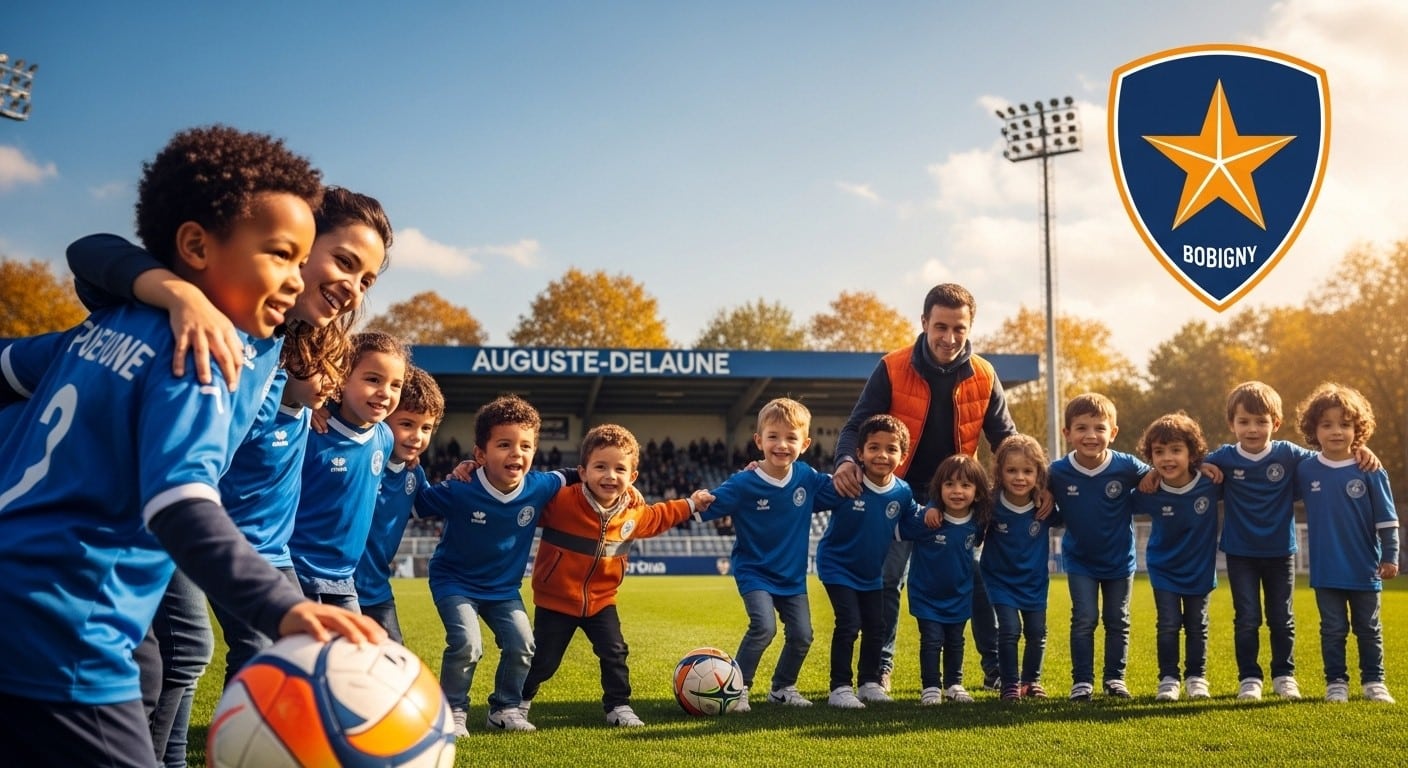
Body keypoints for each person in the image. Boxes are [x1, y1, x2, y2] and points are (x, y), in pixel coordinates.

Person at [0, 124, 383, 767]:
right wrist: (284, 608)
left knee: (160, 662)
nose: (300, 279)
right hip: (70, 625)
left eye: (367, 278)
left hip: (29, 597)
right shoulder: (206, 352)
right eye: (288, 255)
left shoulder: (113, 323)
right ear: (200, 245)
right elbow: (179, 501)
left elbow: (16, 365)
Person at [833, 283, 1017, 693]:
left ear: (970, 328)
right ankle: (879, 669)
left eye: (959, 328)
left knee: (976, 577)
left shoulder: (985, 374)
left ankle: (995, 669)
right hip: (897, 494)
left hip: (957, 494)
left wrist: (1031, 479)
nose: (949, 338)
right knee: (888, 578)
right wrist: (846, 460)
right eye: (941, 327)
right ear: (924, 323)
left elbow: (1006, 439)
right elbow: (855, 426)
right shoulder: (892, 367)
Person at [520, 424, 714, 728]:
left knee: (615, 653)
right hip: (555, 601)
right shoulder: (560, 501)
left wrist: (691, 504)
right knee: (544, 660)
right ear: (582, 472)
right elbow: (521, 496)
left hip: (601, 601)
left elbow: (661, 516)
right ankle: (518, 702)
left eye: (620, 469)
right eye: (600, 467)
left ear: (632, 476)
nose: (610, 475)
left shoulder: (633, 512)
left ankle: (618, 706)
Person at [1200, 381, 1378, 702]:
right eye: (1244, 421)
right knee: (1247, 618)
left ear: (1276, 423)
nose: (1252, 429)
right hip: (1240, 553)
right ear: (1231, 424)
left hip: (1281, 552)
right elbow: (1188, 464)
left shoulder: (1291, 455)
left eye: (1261, 421)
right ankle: (1249, 679)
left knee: (1282, 618)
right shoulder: (1224, 457)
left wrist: (1360, 449)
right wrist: (1202, 465)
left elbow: (1330, 455)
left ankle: (1284, 675)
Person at [417, 395, 575, 735]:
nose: (516, 453)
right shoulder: (460, 489)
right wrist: (418, 465)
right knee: (467, 644)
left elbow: (577, 474)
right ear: (480, 454)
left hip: (503, 589)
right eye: (504, 445)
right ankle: (452, 711)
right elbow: (418, 503)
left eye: (525, 446)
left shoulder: (540, 485)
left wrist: (626, 489)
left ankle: (504, 709)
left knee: (523, 645)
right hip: (454, 582)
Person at [695, 398, 841, 710]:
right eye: (773, 436)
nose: (782, 445)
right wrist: (695, 500)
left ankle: (782, 688)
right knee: (764, 627)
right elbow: (705, 507)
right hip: (755, 571)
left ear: (805, 444)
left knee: (802, 635)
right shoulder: (743, 482)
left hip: (792, 577)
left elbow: (842, 487)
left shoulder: (807, 477)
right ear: (759, 440)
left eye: (791, 438)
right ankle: (738, 688)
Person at [1293, 382, 1399, 703]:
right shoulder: (1305, 469)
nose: (1336, 431)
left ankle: (1374, 682)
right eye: (1327, 425)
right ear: (1314, 430)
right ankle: (1336, 682)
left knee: (1368, 629)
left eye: (1345, 424)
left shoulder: (1370, 469)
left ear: (1358, 429)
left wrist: (1391, 555)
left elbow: (1387, 519)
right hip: (1325, 570)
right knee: (1333, 629)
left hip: (1364, 568)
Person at [288, 331, 406, 607]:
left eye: (396, 385)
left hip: (344, 578)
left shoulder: (385, 438)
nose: (385, 392)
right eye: (373, 379)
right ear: (342, 377)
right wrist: (311, 409)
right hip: (297, 571)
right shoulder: (312, 428)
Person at [1049, 392, 1150, 702]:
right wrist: (1044, 495)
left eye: (1099, 428)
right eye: (1081, 428)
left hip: (1119, 560)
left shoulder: (1127, 466)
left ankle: (1115, 679)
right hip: (1080, 560)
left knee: (1118, 620)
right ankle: (1082, 681)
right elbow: (1037, 492)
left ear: (1113, 432)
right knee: (1085, 618)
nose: (1091, 435)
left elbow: (1159, 475)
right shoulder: (1057, 472)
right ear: (1067, 433)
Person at [815, 414, 919, 709]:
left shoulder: (902, 491)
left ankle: (869, 683)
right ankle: (840, 688)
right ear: (859, 453)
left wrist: (939, 514)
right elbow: (806, 492)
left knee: (876, 625)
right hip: (837, 567)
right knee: (849, 623)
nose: (882, 455)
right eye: (874, 447)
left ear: (903, 456)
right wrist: (762, 470)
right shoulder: (848, 483)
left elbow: (914, 519)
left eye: (891, 449)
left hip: (871, 573)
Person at [1130, 413, 1219, 702]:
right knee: (1168, 624)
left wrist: (1205, 466)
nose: (1167, 458)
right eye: (1159, 452)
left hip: (1200, 569)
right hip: (1164, 568)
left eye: (1176, 450)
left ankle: (1196, 677)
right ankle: (1168, 679)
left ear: (1192, 454)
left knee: (1197, 625)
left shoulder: (1211, 483)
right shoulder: (1149, 490)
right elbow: (1115, 500)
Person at [355, 366, 445, 641]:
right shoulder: (358, 454)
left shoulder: (414, 475)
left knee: (394, 657)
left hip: (377, 591)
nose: (417, 436)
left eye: (426, 428)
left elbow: (433, 503)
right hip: (335, 586)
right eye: (407, 424)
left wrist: (468, 474)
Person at [900, 455, 991, 705]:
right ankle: (931, 686)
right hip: (926, 595)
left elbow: (980, 540)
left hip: (960, 594)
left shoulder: (977, 523)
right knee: (931, 640)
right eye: (949, 484)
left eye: (965, 485)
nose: (957, 491)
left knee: (955, 641)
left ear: (977, 492)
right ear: (938, 489)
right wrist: (929, 507)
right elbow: (898, 528)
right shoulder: (928, 520)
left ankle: (954, 684)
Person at [982, 434, 1060, 701]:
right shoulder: (991, 503)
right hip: (999, 580)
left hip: (1034, 582)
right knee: (1010, 629)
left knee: (1037, 632)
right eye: (1011, 470)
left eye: (1027, 471)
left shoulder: (1045, 506)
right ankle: (1009, 684)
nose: (1019, 477)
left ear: (1039, 474)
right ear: (999, 471)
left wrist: (1052, 495)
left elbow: (1074, 513)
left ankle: (1031, 681)